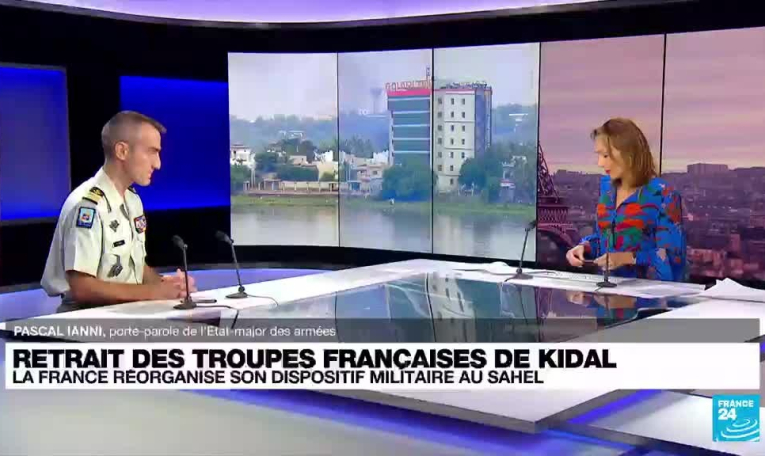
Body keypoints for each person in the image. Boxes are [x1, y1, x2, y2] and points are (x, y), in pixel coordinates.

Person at [41, 111, 197, 306]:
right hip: (86, 315)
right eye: (151, 152)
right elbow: (82, 287)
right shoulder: (88, 206)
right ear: (122, 151)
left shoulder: (132, 200)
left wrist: (166, 285)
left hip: (126, 310)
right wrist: (152, 292)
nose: (158, 164)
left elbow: (133, 266)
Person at [565, 118, 686, 282]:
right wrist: (584, 247)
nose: (600, 163)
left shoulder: (663, 194)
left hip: (646, 295)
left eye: (606, 155)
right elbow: (604, 241)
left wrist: (628, 258)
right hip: (605, 291)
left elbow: (674, 260)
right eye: (599, 155)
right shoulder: (607, 190)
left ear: (629, 154)